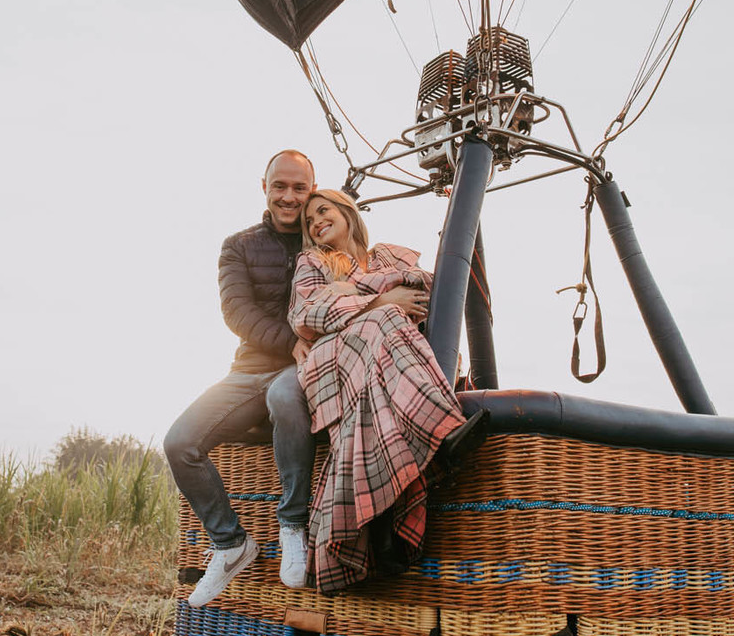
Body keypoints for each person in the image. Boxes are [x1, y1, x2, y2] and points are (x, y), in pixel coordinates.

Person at [290, 188, 490, 594]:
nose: (316, 222)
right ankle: (441, 431)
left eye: (323, 211)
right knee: (386, 318)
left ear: (347, 211)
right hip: (333, 356)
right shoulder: (313, 261)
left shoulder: (387, 255)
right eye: (309, 220)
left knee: (377, 388)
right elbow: (306, 312)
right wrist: (379, 298)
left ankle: (382, 534)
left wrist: (354, 289)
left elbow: (430, 288)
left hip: (382, 356)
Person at [164, 151, 318, 608]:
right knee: (180, 442)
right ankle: (230, 543)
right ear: (264, 187)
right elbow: (237, 312)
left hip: (302, 370)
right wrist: (290, 341)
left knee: (286, 395)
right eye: (280, 186)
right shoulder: (238, 245)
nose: (289, 196)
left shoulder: (324, 238)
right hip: (249, 368)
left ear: (312, 190)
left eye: (300, 188)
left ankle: (292, 525)